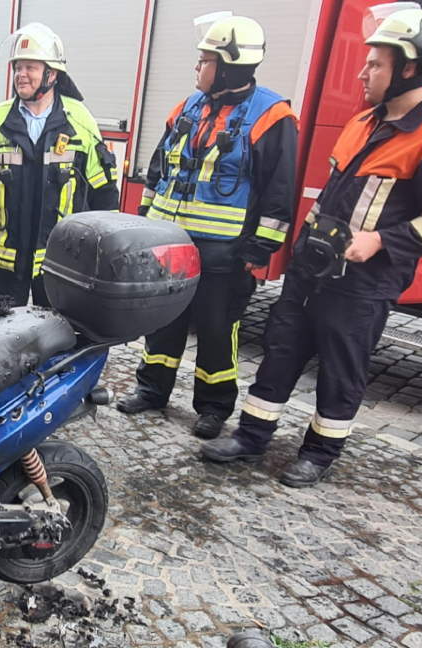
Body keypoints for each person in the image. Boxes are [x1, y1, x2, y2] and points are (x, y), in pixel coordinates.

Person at [202, 7, 422, 488]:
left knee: (341, 370)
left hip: (364, 283)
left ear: (410, 68)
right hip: (312, 269)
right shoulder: (363, 121)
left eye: (376, 64)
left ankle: (319, 453)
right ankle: (251, 436)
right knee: (281, 352)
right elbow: (331, 197)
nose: (363, 73)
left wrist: (381, 241)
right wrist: (298, 251)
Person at [116, 14, 298, 442]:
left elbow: (279, 191)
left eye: (205, 60)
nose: (197, 67)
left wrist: (259, 250)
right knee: (163, 322)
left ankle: (214, 408)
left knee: (218, 332)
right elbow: (159, 171)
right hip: (169, 245)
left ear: (229, 66)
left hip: (225, 254)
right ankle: (151, 389)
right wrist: (145, 225)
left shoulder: (272, 116)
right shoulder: (187, 107)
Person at [0, 23, 120, 308]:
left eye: (30, 67)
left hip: (61, 263)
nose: (21, 75)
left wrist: (105, 245)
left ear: (52, 74)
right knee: (2, 331)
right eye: (17, 67)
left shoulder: (80, 121)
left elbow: (103, 189)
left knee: (58, 331)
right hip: (6, 263)